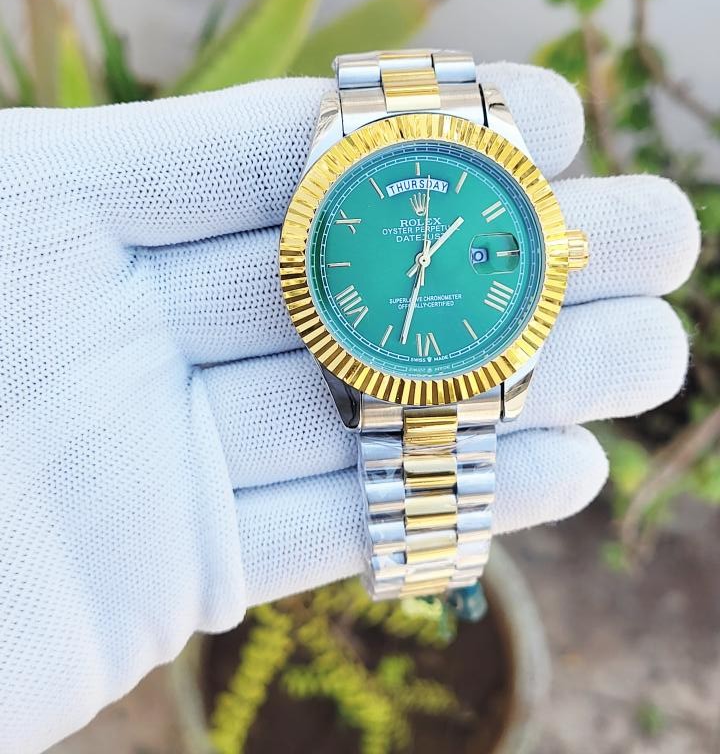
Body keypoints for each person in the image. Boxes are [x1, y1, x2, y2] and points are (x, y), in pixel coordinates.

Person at [0, 63, 700, 753]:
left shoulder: (502, 247)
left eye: (428, 256)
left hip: (435, 353)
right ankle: (431, 581)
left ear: (560, 250)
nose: (422, 264)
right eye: (420, 258)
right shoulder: (349, 236)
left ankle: (433, 579)